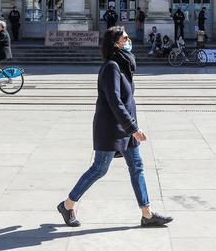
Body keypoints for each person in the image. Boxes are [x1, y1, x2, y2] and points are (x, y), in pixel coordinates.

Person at [58, 27, 172, 228]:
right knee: (99, 169)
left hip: (126, 129)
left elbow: (127, 102)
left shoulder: (122, 64)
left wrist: (132, 127)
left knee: (137, 167)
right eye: (125, 37)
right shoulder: (111, 66)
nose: (129, 40)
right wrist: (133, 128)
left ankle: (147, 214)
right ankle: (68, 205)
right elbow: (115, 102)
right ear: (116, 43)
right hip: (111, 129)